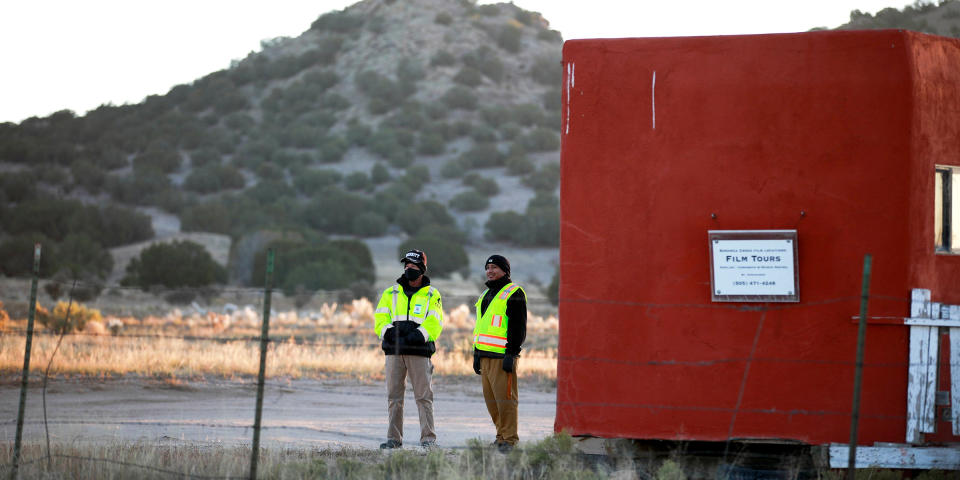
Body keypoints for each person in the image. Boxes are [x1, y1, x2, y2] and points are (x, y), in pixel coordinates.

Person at [374, 249, 444, 449]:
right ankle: (394, 439)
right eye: (406, 266)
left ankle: (428, 439)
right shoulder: (390, 292)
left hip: (419, 352)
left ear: (422, 269)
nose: (408, 269)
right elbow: (380, 318)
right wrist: (389, 333)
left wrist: (416, 336)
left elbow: (435, 321)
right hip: (394, 352)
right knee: (394, 396)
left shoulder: (432, 294)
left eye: (413, 266)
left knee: (423, 396)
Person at [472, 254, 527, 452]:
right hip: (485, 356)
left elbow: (518, 328)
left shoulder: (514, 292)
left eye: (495, 267)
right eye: (487, 267)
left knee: (506, 401)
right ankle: (500, 437)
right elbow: (481, 327)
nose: (490, 271)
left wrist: (511, 354)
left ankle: (510, 440)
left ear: (505, 270)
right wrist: (476, 354)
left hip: (502, 357)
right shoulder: (485, 295)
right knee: (492, 402)